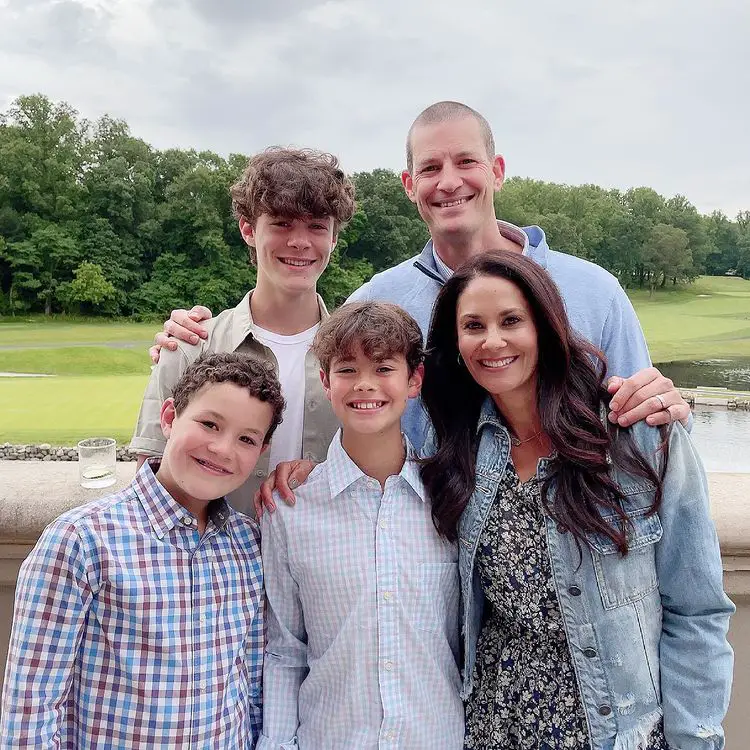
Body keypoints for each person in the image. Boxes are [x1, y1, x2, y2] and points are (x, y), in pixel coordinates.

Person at [151, 101, 689, 502]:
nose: (448, 182)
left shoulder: (594, 290)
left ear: (496, 170)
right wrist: (185, 337)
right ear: (410, 185)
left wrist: (668, 406)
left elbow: (649, 432)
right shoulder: (376, 301)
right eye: (431, 168)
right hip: (424, 557)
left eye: (466, 162)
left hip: (581, 569)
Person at [419, 251, 734, 750]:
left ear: (545, 326)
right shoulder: (462, 450)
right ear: (456, 345)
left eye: (511, 321)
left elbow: (696, 610)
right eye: (473, 325)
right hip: (493, 725)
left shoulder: (636, 435)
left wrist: (695, 738)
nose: (493, 341)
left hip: (612, 726)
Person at [0, 352, 285, 749]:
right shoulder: (81, 541)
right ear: (168, 417)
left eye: (246, 439)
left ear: (262, 451)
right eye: (209, 424)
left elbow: (252, 687)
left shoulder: (248, 544)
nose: (222, 448)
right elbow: (31, 710)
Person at [258, 301, 464, 749]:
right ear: (326, 382)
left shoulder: (452, 499)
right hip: (329, 737)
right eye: (347, 369)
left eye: (384, 368)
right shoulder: (290, 509)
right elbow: (285, 651)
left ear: (414, 381)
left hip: (437, 735)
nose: (365, 385)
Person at [130, 148, 353, 514]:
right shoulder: (188, 346)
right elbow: (147, 489)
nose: (300, 241)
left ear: (333, 238)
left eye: (317, 226)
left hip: (324, 566)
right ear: (248, 229)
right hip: (213, 567)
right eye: (282, 223)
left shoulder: (355, 357)